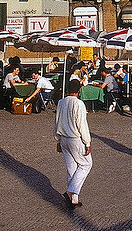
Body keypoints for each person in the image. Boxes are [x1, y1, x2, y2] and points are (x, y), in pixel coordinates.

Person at [55, 79, 92, 208]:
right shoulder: (79, 104)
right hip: (75, 139)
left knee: (72, 168)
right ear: (79, 90)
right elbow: (82, 125)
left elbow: (57, 121)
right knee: (86, 165)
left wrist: (57, 140)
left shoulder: (61, 102)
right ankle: (71, 192)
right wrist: (87, 142)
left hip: (64, 138)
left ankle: (74, 199)